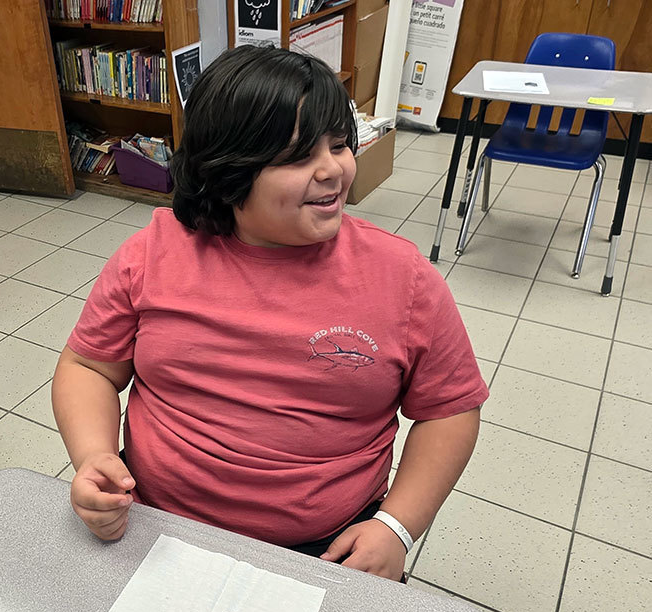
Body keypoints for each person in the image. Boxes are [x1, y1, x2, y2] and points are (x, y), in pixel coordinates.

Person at [52, 45, 488, 583]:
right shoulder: (153, 254)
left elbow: (450, 410)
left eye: (338, 144)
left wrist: (397, 527)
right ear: (227, 170)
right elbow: (89, 366)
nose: (333, 169)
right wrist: (95, 457)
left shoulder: (403, 278)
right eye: (299, 156)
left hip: (330, 549)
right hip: (150, 524)